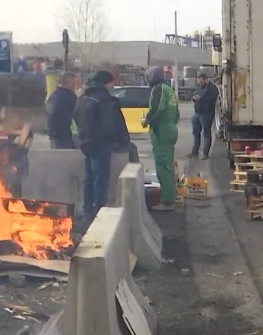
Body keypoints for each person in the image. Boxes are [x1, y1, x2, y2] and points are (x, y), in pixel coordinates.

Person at [73, 71, 131, 222]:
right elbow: (112, 125)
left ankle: (87, 209)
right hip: (102, 144)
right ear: (107, 83)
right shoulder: (106, 100)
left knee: (88, 177)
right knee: (101, 178)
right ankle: (99, 209)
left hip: (86, 143)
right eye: (112, 83)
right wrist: (122, 141)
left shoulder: (82, 98)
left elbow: (76, 118)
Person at [141, 66, 180, 211]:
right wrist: (170, 124)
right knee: (168, 166)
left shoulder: (157, 89)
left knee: (163, 167)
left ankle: (168, 201)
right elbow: (177, 113)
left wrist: (146, 120)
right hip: (170, 130)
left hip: (161, 132)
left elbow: (157, 109)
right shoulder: (169, 90)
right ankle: (170, 198)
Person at [188, 73, 219, 159]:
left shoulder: (212, 88)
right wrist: (194, 98)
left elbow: (212, 99)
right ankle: (194, 152)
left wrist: (200, 98)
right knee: (196, 133)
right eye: (198, 81)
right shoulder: (199, 87)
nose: (199, 83)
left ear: (205, 79)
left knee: (206, 133)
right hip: (197, 113)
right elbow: (195, 94)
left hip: (207, 113)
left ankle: (205, 153)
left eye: (201, 81)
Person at [46, 72, 79, 149]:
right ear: (68, 83)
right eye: (74, 83)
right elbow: (77, 115)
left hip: (53, 133)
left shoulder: (54, 95)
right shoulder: (69, 97)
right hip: (63, 136)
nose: (75, 86)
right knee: (66, 159)